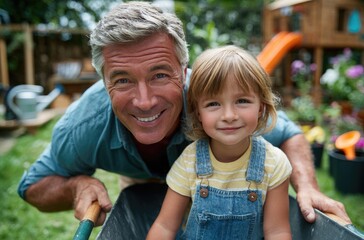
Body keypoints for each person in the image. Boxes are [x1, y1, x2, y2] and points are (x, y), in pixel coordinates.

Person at [17, 1, 350, 227]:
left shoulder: (215, 103)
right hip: (142, 187)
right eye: (122, 80)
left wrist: (307, 186)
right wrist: (75, 185)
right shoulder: (85, 127)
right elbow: (33, 187)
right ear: (103, 81)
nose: (144, 101)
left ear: (184, 69)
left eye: (161, 75)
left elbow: (289, 134)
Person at [147, 45, 292, 240]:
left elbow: (277, 231)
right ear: (198, 113)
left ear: (261, 107)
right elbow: (165, 226)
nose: (229, 116)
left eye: (242, 101)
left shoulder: (273, 164)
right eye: (213, 104)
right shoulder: (191, 161)